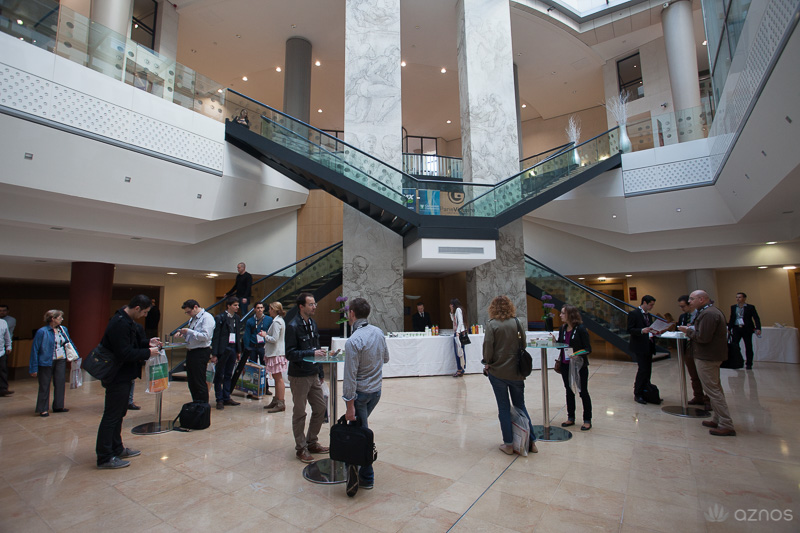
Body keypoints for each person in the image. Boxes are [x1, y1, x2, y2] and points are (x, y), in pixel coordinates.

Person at [96, 295, 161, 469]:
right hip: (117, 376)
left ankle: (116, 448)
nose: (146, 316)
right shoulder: (119, 323)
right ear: (138, 308)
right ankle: (104, 456)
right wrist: (148, 353)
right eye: (145, 312)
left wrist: (147, 342)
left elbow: (130, 344)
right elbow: (124, 352)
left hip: (123, 375)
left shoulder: (126, 322)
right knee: (111, 416)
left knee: (119, 415)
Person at [342, 297, 390, 497]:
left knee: (361, 433)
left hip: (360, 395)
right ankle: (351, 465)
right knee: (359, 430)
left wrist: (349, 405)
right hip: (375, 392)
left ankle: (366, 476)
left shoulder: (353, 341)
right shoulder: (378, 332)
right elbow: (386, 358)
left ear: (352, 314)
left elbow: (350, 377)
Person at [481, 295, 537, 455]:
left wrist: (487, 362)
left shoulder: (492, 325)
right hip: (516, 372)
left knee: (504, 408)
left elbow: (488, 348)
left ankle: (509, 444)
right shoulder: (517, 322)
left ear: (493, 308)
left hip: (498, 372)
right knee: (520, 406)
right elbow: (523, 344)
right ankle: (532, 441)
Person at [679, 290, 736, 436]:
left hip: (707, 356)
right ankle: (717, 418)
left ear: (702, 299)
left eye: (692, 299)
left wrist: (688, 331)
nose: (689, 301)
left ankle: (726, 423)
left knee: (713, 391)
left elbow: (703, 337)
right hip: (708, 355)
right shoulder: (709, 312)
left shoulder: (709, 314)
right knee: (714, 388)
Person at [285, 292, 329, 463]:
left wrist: (321, 372)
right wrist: (311, 353)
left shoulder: (312, 323)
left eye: (315, 304)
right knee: (300, 412)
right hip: (299, 376)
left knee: (320, 408)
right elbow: (290, 353)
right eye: (311, 304)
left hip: (313, 374)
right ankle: (301, 448)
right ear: (301, 307)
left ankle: (312, 441)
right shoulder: (293, 326)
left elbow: (316, 346)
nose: (314, 307)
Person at [29, 310, 76, 417]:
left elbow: (69, 342)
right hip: (46, 361)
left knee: (60, 383)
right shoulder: (42, 331)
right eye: (60, 317)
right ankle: (43, 408)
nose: (62, 319)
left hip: (61, 359)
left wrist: (75, 354)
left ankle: (59, 406)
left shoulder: (63, 330)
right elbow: (35, 349)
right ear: (52, 319)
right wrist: (33, 367)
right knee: (44, 385)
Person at [556, 305, 593, 431]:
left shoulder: (581, 329)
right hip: (566, 365)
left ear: (570, 315)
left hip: (579, 365)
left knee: (583, 391)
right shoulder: (562, 328)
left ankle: (587, 419)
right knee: (568, 390)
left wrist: (576, 354)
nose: (560, 315)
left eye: (562, 313)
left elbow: (588, 349)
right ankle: (570, 417)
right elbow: (560, 346)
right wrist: (555, 342)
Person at [178, 299, 216, 403]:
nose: (188, 314)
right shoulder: (193, 318)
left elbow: (206, 336)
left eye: (189, 311)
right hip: (191, 351)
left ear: (195, 307)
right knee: (192, 381)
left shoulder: (207, 318)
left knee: (199, 381)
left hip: (200, 352)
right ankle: (196, 403)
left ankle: (202, 406)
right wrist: (184, 333)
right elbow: (194, 334)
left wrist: (189, 331)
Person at [211, 297, 243, 410]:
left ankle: (226, 396)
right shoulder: (220, 318)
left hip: (233, 348)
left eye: (238, 305)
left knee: (229, 373)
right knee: (220, 375)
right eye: (235, 305)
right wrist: (214, 354)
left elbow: (238, 334)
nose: (237, 307)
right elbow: (216, 336)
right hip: (222, 349)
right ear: (228, 306)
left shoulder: (237, 318)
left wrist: (239, 351)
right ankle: (219, 399)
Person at [677, 295, 709, 406]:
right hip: (688, 348)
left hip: (700, 348)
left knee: (705, 376)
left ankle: (708, 399)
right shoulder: (683, 317)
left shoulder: (702, 315)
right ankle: (698, 396)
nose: (682, 309)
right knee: (693, 375)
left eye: (683, 306)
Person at [628, 295, 657, 404]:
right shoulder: (634, 314)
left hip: (648, 345)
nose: (651, 307)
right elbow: (630, 329)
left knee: (648, 369)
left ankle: (646, 390)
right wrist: (641, 331)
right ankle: (638, 393)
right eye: (650, 304)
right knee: (643, 369)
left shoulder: (648, 315)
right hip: (639, 346)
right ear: (644, 302)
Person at [243, 302, 273, 398]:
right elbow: (246, 335)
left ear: (264, 309)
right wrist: (247, 348)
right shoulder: (250, 321)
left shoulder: (269, 320)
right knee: (253, 367)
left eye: (261, 307)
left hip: (263, 346)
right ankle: (252, 389)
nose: (260, 309)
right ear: (254, 309)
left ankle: (266, 387)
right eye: (258, 308)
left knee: (265, 367)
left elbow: (271, 332)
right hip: (253, 346)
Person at [263, 301, 289, 413]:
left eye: (270, 308)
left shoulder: (277, 322)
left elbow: (274, 339)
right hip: (275, 352)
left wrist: (265, 336)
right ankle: (277, 399)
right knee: (276, 377)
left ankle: (280, 401)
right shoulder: (277, 321)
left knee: (278, 378)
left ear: (274, 309)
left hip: (276, 353)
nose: (269, 311)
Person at [728, 292, 761, 370]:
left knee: (748, 346)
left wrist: (758, 328)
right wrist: (729, 329)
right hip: (736, 328)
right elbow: (732, 318)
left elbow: (756, 318)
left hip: (747, 328)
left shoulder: (750, 307)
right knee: (734, 345)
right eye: (737, 297)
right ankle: (736, 361)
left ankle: (749, 363)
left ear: (744, 298)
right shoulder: (733, 307)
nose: (738, 299)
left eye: (739, 297)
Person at [449, 298, 467, 377]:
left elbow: (460, 321)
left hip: (459, 333)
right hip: (462, 332)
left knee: (459, 351)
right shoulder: (457, 310)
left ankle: (460, 369)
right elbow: (453, 320)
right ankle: (461, 368)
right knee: (461, 351)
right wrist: (451, 313)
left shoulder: (458, 310)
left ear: (453, 305)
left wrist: (457, 332)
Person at [0, 317, 12, 397]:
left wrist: (8, 346)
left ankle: (3, 389)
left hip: (1, 351)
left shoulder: (3, 322)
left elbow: (7, 335)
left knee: (2, 370)